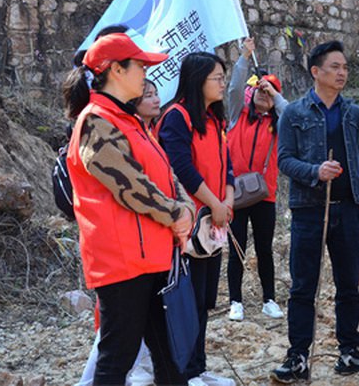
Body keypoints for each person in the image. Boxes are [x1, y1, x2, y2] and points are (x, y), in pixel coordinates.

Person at [63, 30, 194, 385]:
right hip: (121, 262)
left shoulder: (131, 122)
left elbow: (165, 174)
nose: (146, 74)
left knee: (170, 357)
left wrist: (185, 209)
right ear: (116, 71)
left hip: (151, 256)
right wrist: (177, 214)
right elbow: (130, 186)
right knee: (117, 356)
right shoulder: (95, 121)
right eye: (139, 65)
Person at [271, 40, 359, 383]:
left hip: (348, 210)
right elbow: (284, 159)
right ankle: (298, 356)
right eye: (335, 67)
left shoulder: (354, 114)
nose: (342, 73)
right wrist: (314, 171)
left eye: (345, 67)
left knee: (349, 286)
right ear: (316, 71)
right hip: (308, 211)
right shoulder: (294, 112)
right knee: (303, 287)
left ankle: (349, 350)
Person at [159, 52, 236, 386]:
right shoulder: (176, 117)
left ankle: (198, 368)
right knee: (186, 301)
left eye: (223, 77)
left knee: (204, 299)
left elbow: (227, 164)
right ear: (197, 80)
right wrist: (214, 202)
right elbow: (181, 168)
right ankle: (182, 371)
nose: (222, 83)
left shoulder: (215, 119)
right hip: (188, 225)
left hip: (213, 223)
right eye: (216, 77)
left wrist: (227, 201)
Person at [225, 38, 288, 321]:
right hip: (236, 193)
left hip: (265, 195)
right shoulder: (237, 115)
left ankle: (269, 299)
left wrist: (275, 94)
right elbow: (235, 88)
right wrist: (244, 57)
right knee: (237, 247)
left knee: (264, 248)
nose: (263, 93)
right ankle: (235, 301)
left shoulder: (278, 125)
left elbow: (292, 113)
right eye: (260, 89)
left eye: (270, 91)